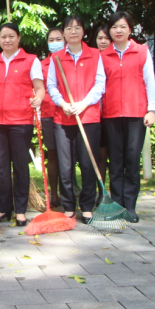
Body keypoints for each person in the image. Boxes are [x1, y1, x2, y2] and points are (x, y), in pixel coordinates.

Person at [0, 23, 45, 227]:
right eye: (3, 37)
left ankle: (21, 210)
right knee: (1, 167)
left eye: (11, 36)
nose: (7, 40)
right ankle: (4, 208)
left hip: (20, 121)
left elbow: (40, 88)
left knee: (20, 166)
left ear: (18, 38)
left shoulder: (31, 60)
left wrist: (38, 100)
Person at [47, 16, 106, 223]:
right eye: (69, 28)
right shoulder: (57, 58)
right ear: (63, 33)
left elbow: (100, 84)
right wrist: (63, 103)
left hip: (88, 117)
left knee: (88, 164)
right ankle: (69, 205)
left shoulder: (96, 55)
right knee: (65, 165)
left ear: (83, 32)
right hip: (63, 119)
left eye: (78, 28)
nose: (73, 31)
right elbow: (51, 85)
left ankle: (87, 206)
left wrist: (84, 103)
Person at [101, 12, 155, 223]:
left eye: (123, 26)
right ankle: (117, 206)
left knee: (132, 160)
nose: (118, 30)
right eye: (114, 26)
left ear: (130, 29)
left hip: (136, 114)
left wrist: (152, 109)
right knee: (115, 162)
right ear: (109, 30)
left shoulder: (142, 52)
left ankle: (130, 206)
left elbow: (149, 81)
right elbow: (100, 86)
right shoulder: (103, 55)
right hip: (111, 114)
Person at [40, 27, 67, 208]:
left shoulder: (70, 60)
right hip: (49, 113)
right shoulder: (42, 65)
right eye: (51, 39)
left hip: (68, 113)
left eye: (58, 38)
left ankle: (69, 193)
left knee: (69, 155)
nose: (55, 42)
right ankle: (54, 193)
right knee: (53, 154)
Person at [92, 25, 112, 183]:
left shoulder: (114, 58)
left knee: (110, 154)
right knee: (98, 154)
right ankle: (100, 192)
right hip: (95, 113)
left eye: (106, 38)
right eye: (100, 38)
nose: (103, 41)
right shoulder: (93, 57)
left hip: (112, 112)